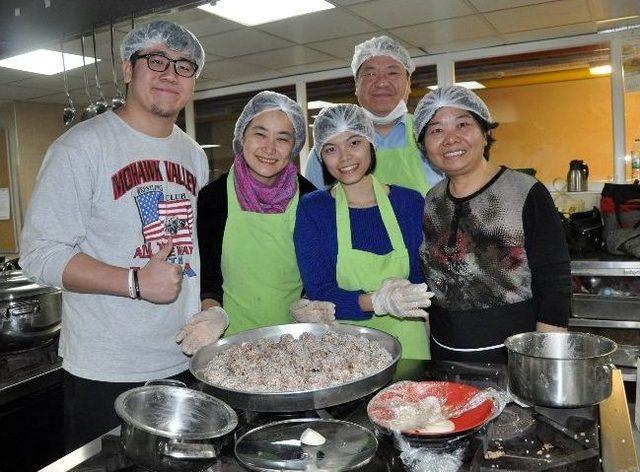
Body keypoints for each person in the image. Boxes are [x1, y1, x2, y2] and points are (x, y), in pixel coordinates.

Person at [19, 21, 218, 451]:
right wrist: (134, 282)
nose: (170, 74)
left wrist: (209, 307)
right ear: (128, 69)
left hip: (181, 359)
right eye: (157, 61)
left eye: (184, 66)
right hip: (105, 371)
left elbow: (191, 250)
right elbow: (38, 253)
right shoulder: (80, 148)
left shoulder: (193, 155)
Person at [413, 85, 571, 363]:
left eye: (463, 124)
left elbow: (554, 281)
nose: (450, 139)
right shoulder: (432, 200)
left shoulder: (524, 192)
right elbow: (433, 282)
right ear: (425, 146)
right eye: (436, 130)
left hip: (515, 355)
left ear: (485, 134)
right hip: (445, 353)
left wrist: (542, 358)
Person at [293, 104, 433, 360]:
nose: (344, 157)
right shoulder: (314, 209)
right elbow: (320, 291)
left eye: (354, 143)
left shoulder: (409, 203)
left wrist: (404, 295)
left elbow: (421, 281)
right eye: (331, 149)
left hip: (410, 348)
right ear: (321, 157)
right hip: (345, 352)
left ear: (370, 143)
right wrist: (377, 301)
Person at [197, 91, 317, 336]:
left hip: (294, 339)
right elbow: (208, 276)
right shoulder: (214, 197)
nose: (269, 148)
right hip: (230, 340)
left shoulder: (309, 198)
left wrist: (309, 303)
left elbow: (316, 272)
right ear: (242, 135)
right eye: (260, 134)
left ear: (294, 146)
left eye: (282, 139)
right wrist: (212, 313)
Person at [304, 36, 442, 195]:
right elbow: (314, 209)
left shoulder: (432, 135)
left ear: (409, 83)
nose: (382, 82)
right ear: (356, 85)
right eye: (370, 74)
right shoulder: (326, 150)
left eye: (392, 72)